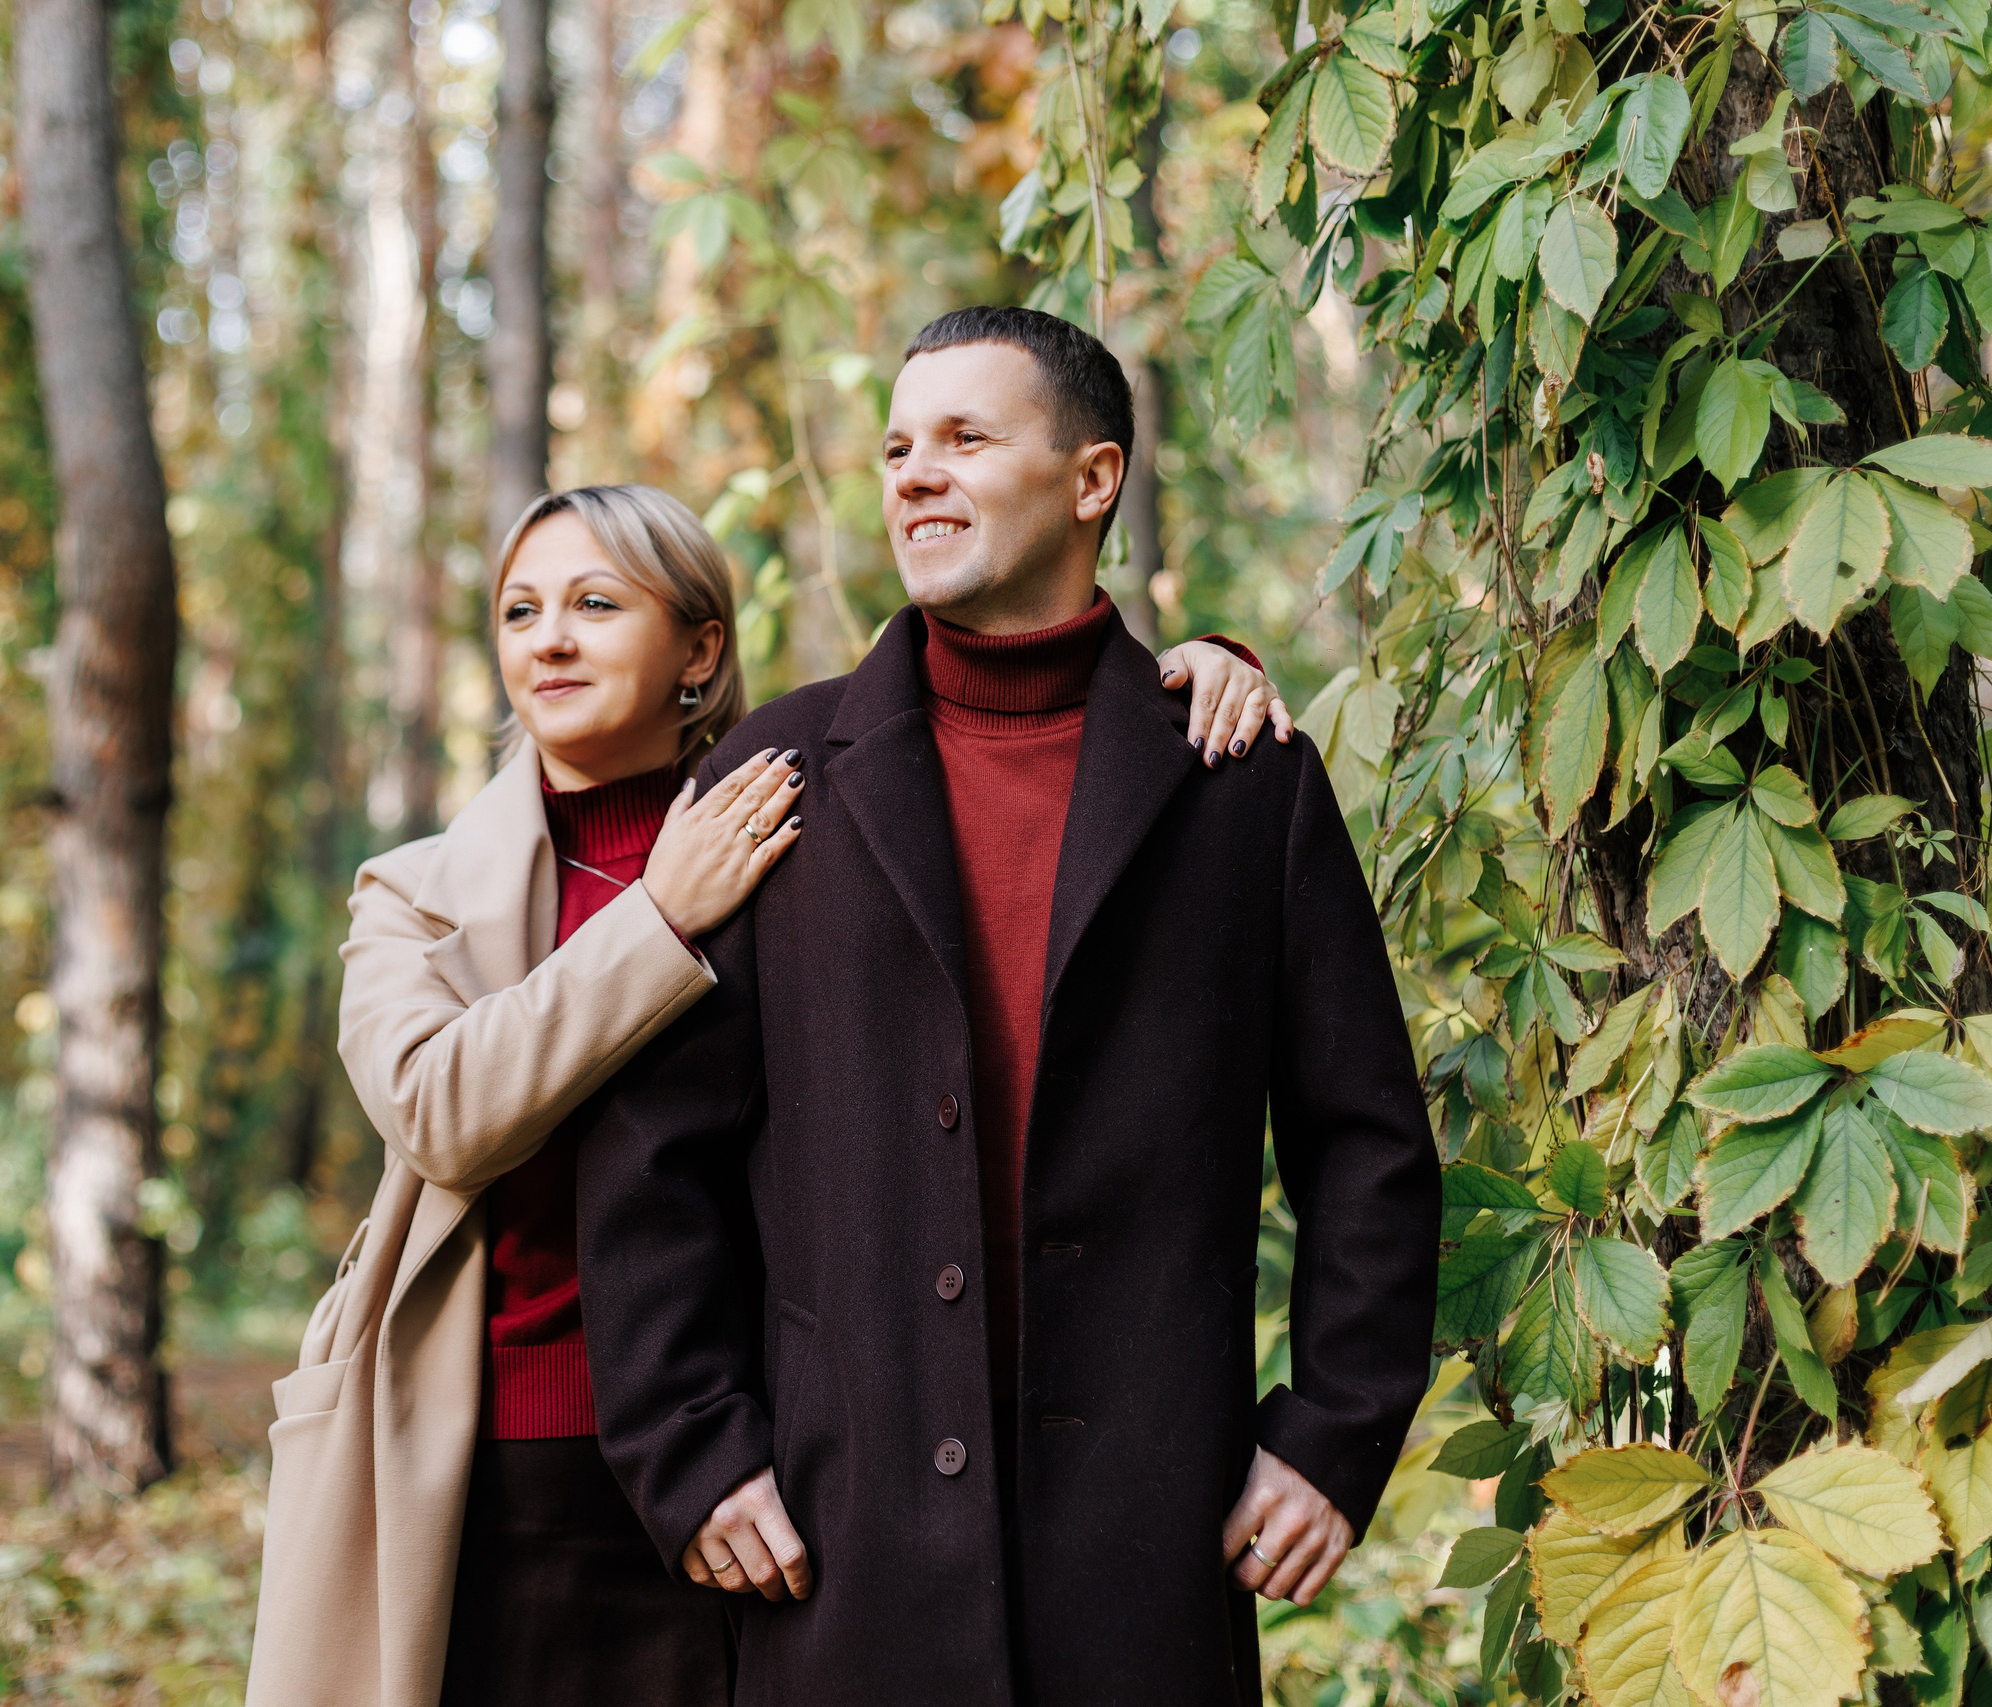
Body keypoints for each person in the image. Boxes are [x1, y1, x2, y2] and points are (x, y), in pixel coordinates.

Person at [242, 480, 1288, 1707]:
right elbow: (438, 1114)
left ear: (699, 647)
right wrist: (657, 919)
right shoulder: (416, 893)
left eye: (592, 602)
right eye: (519, 612)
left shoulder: (803, 811)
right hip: (504, 1458)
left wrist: (1192, 674)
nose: (549, 640)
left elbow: (992, 728)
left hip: (774, 1458)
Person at [575, 308, 1442, 1707]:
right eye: (898, 446)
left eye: (967, 438)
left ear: (1093, 478)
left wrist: (1331, 1434)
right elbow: (648, 1152)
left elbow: (1370, 1148)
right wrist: (694, 1445)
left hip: (1151, 1555)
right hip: (835, 1549)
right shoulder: (775, 771)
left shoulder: (1240, 779)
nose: (915, 472)